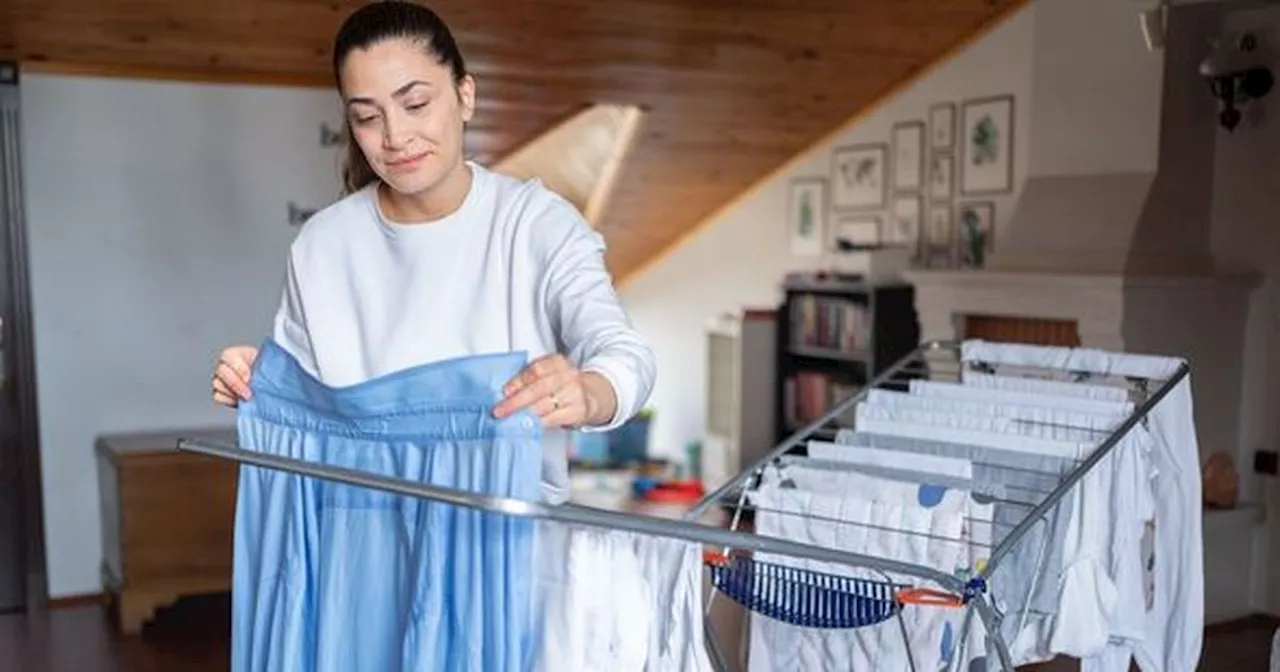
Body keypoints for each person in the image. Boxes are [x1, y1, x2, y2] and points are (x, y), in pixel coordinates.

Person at [209, 0, 655, 504]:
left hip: (503, 547)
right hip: (363, 533)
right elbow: (307, 409)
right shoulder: (323, 244)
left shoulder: (535, 225)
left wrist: (590, 391)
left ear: (465, 95)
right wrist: (259, 381)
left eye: (415, 104)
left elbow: (625, 354)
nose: (396, 137)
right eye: (367, 117)